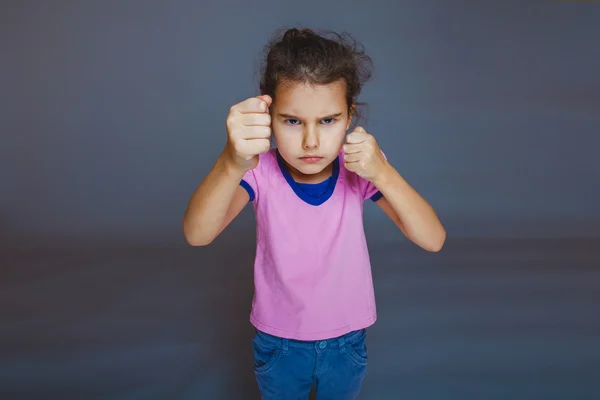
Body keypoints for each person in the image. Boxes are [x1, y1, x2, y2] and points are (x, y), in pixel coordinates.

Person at [183, 27, 446, 400]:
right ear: (268, 116)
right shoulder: (257, 170)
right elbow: (197, 233)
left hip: (346, 342)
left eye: (327, 120)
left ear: (349, 116)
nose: (310, 141)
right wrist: (230, 161)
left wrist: (382, 172)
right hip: (279, 344)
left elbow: (432, 239)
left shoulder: (361, 167)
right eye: (292, 121)